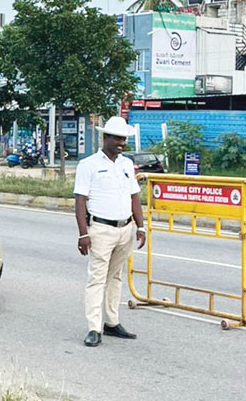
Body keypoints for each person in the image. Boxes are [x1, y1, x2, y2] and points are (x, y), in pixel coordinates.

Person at [74, 116, 146, 347]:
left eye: (124, 138)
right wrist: (83, 234)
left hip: (125, 229)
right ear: (105, 138)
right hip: (101, 230)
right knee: (97, 279)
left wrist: (140, 226)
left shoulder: (126, 164)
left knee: (116, 277)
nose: (121, 142)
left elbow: (134, 197)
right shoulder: (88, 165)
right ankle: (94, 328)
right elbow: (80, 201)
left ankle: (112, 322)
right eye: (116, 138)